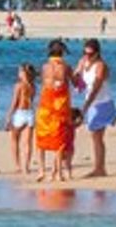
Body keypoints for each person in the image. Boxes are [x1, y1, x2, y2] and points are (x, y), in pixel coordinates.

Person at [75, 39, 115, 179]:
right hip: (92, 103)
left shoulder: (101, 66)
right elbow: (76, 78)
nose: (87, 56)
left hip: (102, 103)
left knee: (97, 136)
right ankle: (99, 167)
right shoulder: (83, 61)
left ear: (97, 53)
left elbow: (95, 89)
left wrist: (84, 108)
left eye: (90, 54)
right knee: (95, 136)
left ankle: (100, 169)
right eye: (85, 53)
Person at [34, 41, 73, 182]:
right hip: (60, 106)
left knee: (42, 138)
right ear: (62, 52)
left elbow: (41, 80)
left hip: (45, 104)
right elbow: (75, 82)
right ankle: (57, 172)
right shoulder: (66, 67)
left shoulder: (44, 67)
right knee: (60, 140)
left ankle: (41, 170)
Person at [7, 63, 37, 178]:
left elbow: (15, 102)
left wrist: (9, 116)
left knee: (14, 140)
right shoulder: (33, 86)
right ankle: (26, 167)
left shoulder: (18, 85)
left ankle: (17, 165)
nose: (18, 73)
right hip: (30, 113)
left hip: (20, 113)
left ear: (23, 73)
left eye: (20, 71)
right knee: (28, 142)